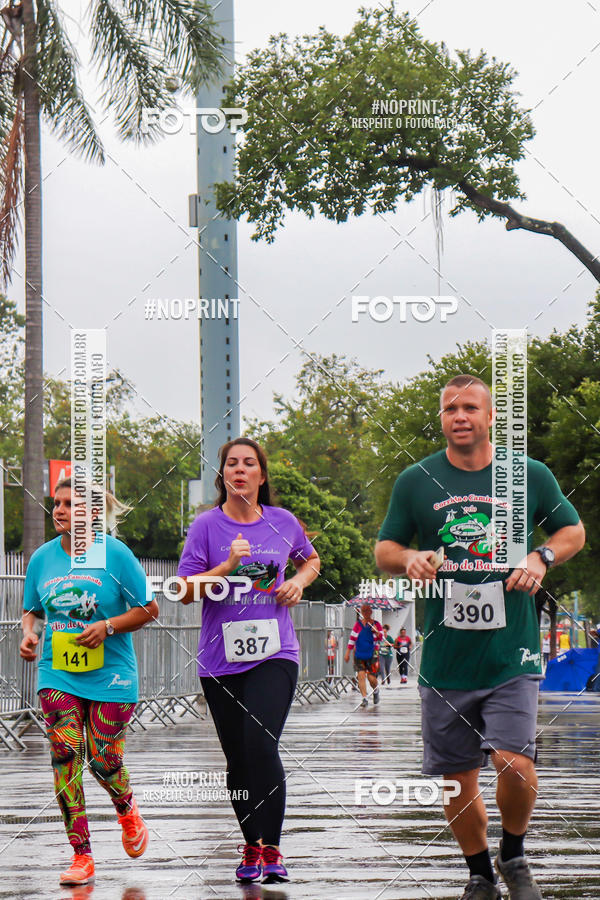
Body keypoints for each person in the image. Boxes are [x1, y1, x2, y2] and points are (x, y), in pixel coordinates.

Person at [375, 375, 585, 900]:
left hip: (510, 651)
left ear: (491, 417)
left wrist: (542, 556)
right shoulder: (417, 479)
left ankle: (512, 853)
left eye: (470, 407)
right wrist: (410, 558)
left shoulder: (526, 476)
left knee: (513, 760)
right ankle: (479, 873)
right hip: (446, 657)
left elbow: (572, 531)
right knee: (456, 778)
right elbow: (386, 548)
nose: (459, 416)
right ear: (442, 418)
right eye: (450, 409)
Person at [177, 438, 320, 885]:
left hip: (275, 653)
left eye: (249, 464)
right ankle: (251, 844)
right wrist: (227, 566)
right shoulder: (206, 527)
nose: (240, 470)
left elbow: (310, 559)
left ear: (261, 475)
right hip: (220, 660)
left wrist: (298, 581)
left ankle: (273, 847)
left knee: (261, 744)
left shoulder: (282, 522)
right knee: (238, 760)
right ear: (223, 476)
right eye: (232, 464)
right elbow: (183, 590)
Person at [20, 477, 158, 886]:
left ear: (93, 513)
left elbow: (149, 609)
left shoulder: (116, 556)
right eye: (55, 504)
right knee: (65, 754)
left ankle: (127, 809)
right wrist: (29, 633)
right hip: (57, 672)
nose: (58, 511)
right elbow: (31, 611)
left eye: (68, 504)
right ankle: (81, 855)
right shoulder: (42, 560)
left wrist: (108, 626)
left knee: (102, 758)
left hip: (111, 675)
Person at [344, 603, 383, 707]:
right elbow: (352, 640)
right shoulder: (357, 625)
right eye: (363, 611)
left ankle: (375, 690)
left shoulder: (376, 624)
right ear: (361, 612)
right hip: (359, 654)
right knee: (361, 676)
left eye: (367, 610)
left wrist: (376, 632)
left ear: (371, 612)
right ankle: (364, 698)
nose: (365, 613)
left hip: (372, 654)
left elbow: (381, 638)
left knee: (371, 678)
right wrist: (347, 653)